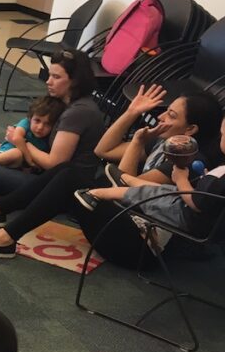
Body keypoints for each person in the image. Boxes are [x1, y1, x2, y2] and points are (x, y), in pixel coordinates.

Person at [74, 109, 225, 266]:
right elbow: (102, 150)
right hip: (185, 206)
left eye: (223, 135)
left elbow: (196, 202)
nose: (219, 138)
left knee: (148, 194)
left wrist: (181, 180)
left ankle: (99, 192)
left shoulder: (218, 171)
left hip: (185, 215)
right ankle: (125, 179)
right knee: (160, 190)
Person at [0, 49, 101, 200]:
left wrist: (22, 142)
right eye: (50, 75)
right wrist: (16, 144)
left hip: (62, 187)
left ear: (75, 81)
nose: (48, 81)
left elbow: (54, 164)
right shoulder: (65, 102)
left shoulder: (77, 113)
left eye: (56, 77)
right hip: (45, 168)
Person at [94, 84, 224, 185]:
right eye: (166, 111)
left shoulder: (188, 161)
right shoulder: (168, 140)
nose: (160, 117)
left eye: (171, 115)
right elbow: (104, 150)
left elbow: (122, 187)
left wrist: (137, 142)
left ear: (190, 129)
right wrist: (132, 112)